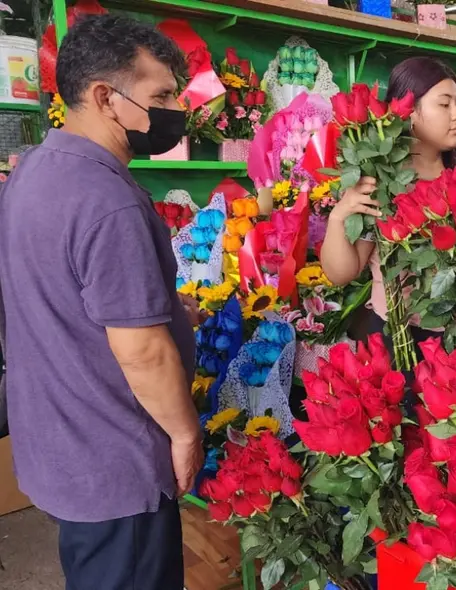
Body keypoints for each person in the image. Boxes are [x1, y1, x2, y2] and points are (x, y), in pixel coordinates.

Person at [0, 15, 201, 590]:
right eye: (160, 95)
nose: (173, 111)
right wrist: (185, 435)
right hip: (114, 461)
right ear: (105, 98)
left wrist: (162, 307)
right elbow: (141, 353)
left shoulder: (33, 170)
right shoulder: (107, 200)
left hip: (59, 444)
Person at [321, 57, 456, 335]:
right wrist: (339, 217)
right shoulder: (380, 182)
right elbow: (342, 273)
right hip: (398, 334)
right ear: (409, 112)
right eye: (445, 104)